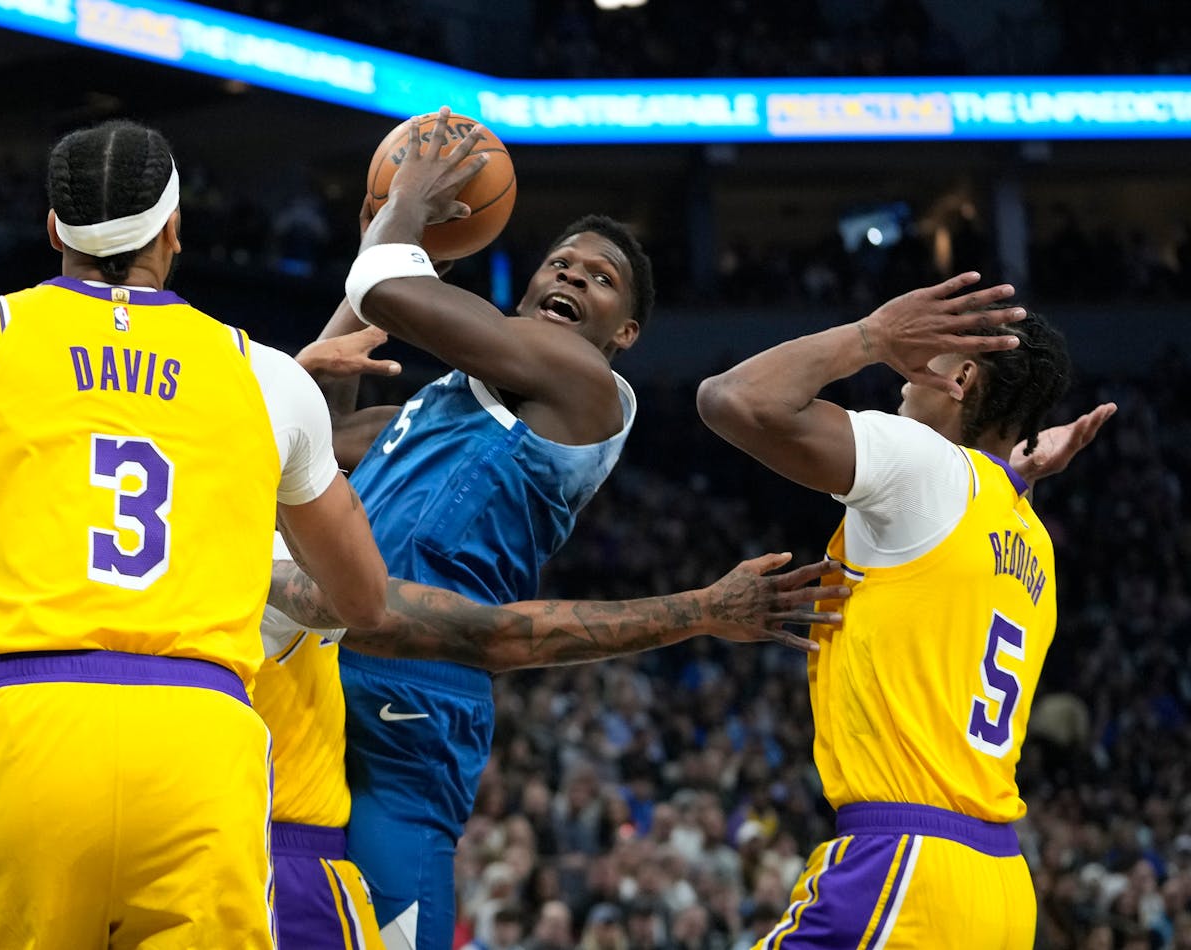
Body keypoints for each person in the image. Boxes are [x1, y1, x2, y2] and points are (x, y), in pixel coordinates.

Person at [0, 118, 388, 948]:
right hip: (202, 743)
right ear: (174, 231)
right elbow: (363, 597)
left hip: (25, 726)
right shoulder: (266, 377)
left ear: (53, 230)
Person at [251, 335, 846, 950]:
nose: (372, 491)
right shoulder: (292, 576)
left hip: (253, 823)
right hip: (299, 828)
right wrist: (699, 609)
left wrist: (309, 368)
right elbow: (488, 634)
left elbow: (306, 453)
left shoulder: (232, 542)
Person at [695, 273, 1116, 947]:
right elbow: (970, 527)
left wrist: (873, 335)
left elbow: (731, 399)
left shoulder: (924, 461)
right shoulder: (1031, 538)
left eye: (928, 355)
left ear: (963, 378)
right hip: (1002, 887)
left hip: (904, 868)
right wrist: (1020, 470)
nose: (904, 371)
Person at [324, 108, 657, 949]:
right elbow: (313, 440)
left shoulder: (586, 384)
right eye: (560, 262)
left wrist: (404, 215)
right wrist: (384, 242)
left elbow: (390, 290)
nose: (575, 275)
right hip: (325, 656)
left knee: (387, 928)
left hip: (419, 687)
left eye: (600, 278)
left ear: (623, 333)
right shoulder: (439, 405)